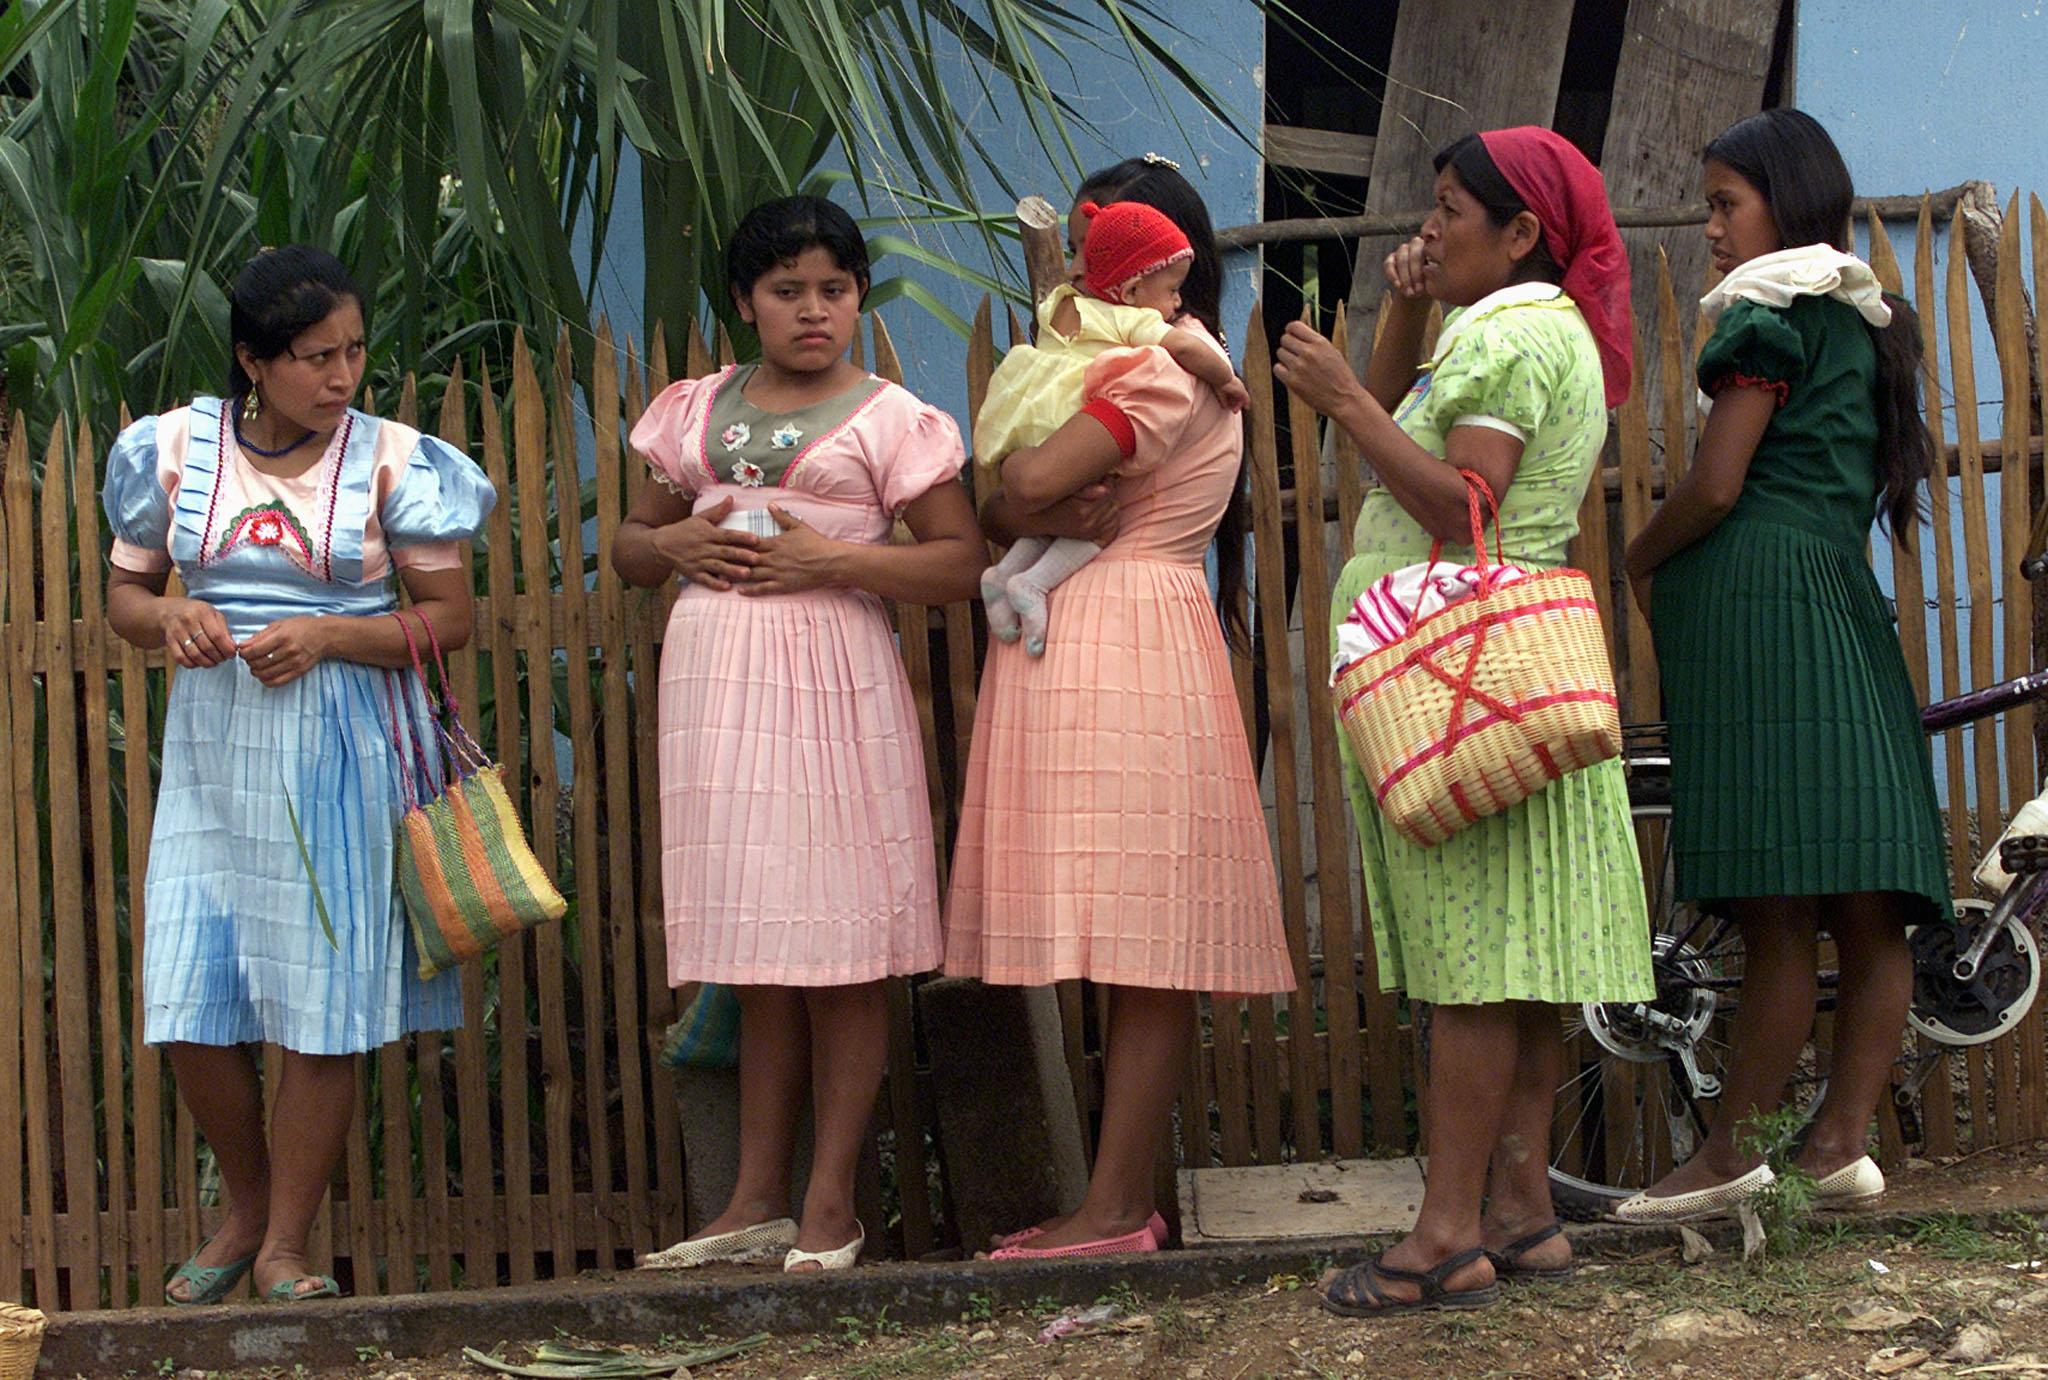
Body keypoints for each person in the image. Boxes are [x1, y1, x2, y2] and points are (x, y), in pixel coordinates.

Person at [1273, 128, 1652, 1311]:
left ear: (1522, 232)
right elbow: (1384, 426)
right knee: (1522, 957)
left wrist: (1338, 388)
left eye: (1446, 210)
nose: (1424, 230)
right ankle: (1521, 1212)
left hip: (1459, 675)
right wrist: (1386, 335)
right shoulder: (1536, 329)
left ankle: (1441, 1233)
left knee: (1473, 970)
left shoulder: (1503, 333)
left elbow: (1458, 502)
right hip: (1509, 665)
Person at [102, 244, 495, 1304]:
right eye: (315, 357)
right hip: (214, 749)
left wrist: (327, 635)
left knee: (320, 1002)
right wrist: (172, 612)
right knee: (189, 998)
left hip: (348, 743)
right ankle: (246, 1201)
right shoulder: (173, 450)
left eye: (353, 352)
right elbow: (126, 601)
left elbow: (448, 620)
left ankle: (283, 1244)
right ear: (252, 362)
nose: (340, 376)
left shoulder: (396, 463)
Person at [614, 196, 983, 1273]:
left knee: (842, 943)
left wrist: (838, 561)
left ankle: (831, 1208)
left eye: (832, 289)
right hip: (716, 687)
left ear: (857, 296)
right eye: (786, 292)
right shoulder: (692, 413)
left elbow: (959, 564)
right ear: (744, 303)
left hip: (832, 684)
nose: (812, 311)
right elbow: (632, 547)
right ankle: (751, 1202)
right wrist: (678, 542)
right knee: (758, 943)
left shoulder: (890, 419)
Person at [945, 155, 1295, 1260]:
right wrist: (1011, 491)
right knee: (1130, 933)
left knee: (1140, 943)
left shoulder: (1157, 373)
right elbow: (1005, 495)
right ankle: (1107, 1200)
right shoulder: (1172, 367)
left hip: (1116, 639)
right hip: (1138, 627)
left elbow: (1025, 489)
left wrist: (1014, 489)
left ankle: (1108, 1211)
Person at [1615, 108, 1945, 1222]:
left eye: (1723, 204)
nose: (1708, 228)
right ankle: (1836, 1146)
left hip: (1762, 610)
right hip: (1834, 604)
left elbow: (1715, 484)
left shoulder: (1768, 306)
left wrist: (1635, 556)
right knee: (1865, 905)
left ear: (1784, 200)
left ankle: (1725, 1158)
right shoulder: (1863, 315)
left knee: (1769, 909)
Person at [975, 197, 1248, 654]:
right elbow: (1026, 487)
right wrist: (1229, 380)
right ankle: (1031, 583)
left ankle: (1006, 577)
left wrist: (1020, 479)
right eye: (1075, 250)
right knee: (1095, 521)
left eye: (1089, 252)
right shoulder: (1140, 335)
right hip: (1116, 621)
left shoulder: (1064, 309)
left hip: (1037, 416)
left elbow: (1016, 495)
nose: (1078, 269)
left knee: (1066, 513)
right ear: (1135, 287)